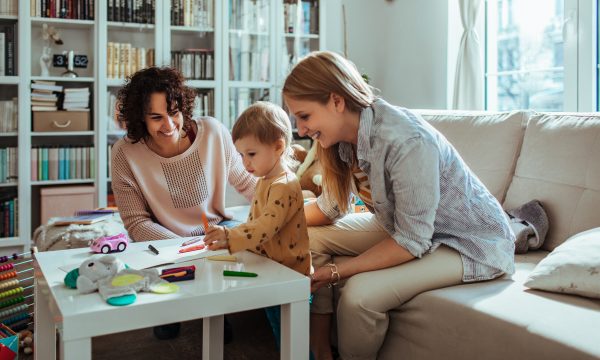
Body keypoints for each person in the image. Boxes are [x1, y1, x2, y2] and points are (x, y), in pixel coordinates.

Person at [282, 51, 516, 360]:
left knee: (359, 296)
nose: (299, 130)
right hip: (411, 229)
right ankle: (321, 350)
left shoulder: (406, 140)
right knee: (306, 237)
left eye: (305, 116)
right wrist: (272, 220)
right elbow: (330, 209)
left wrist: (335, 271)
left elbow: (410, 240)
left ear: (336, 101)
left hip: (469, 242)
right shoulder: (340, 141)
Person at [111, 66, 256, 341]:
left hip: (216, 227)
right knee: (167, 325)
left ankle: (213, 309)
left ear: (183, 109)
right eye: (156, 117)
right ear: (140, 119)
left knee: (247, 244)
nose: (168, 126)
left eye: (174, 113)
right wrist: (185, 247)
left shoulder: (212, 132)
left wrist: (284, 206)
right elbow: (136, 222)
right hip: (163, 236)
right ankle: (173, 306)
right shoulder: (124, 153)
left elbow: (247, 183)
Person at [203, 101, 311, 349]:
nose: (245, 163)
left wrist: (230, 237)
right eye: (241, 155)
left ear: (278, 146)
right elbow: (254, 219)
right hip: (273, 269)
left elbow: (264, 227)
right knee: (278, 333)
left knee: (294, 341)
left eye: (251, 154)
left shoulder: (283, 185)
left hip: (291, 273)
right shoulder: (265, 179)